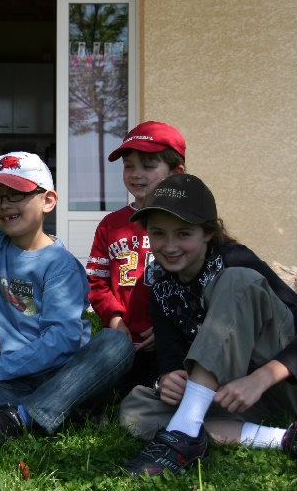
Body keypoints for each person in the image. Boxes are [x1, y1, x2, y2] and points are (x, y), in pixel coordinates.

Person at [119, 174, 297, 479]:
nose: (169, 246)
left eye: (183, 233)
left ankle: (183, 432)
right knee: (136, 409)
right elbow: (171, 357)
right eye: (158, 234)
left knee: (236, 281)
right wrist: (168, 379)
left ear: (208, 232)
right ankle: (292, 438)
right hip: (235, 396)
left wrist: (260, 379)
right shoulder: (160, 286)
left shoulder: (235, 260)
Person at [0, 151, 135, 446]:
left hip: (66, 372)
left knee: (116, 343)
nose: (4, 205)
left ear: (48, 201)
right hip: (17, 377)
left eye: (16, 194)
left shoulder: (61, 266)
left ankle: (22, 416)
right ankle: (65, 407)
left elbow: (61, 341)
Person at [86, 121, 185, 397]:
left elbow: (198, 284)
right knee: (100, 384)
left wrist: (169, 327)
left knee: (170, 385)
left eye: (148, 166)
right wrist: (114, 319)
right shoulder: (111, 224)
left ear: (176, 172)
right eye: (129, 166)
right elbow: (96, 280)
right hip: (121, 338)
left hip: (173, 340)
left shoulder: (188, 226)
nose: (136, 174)